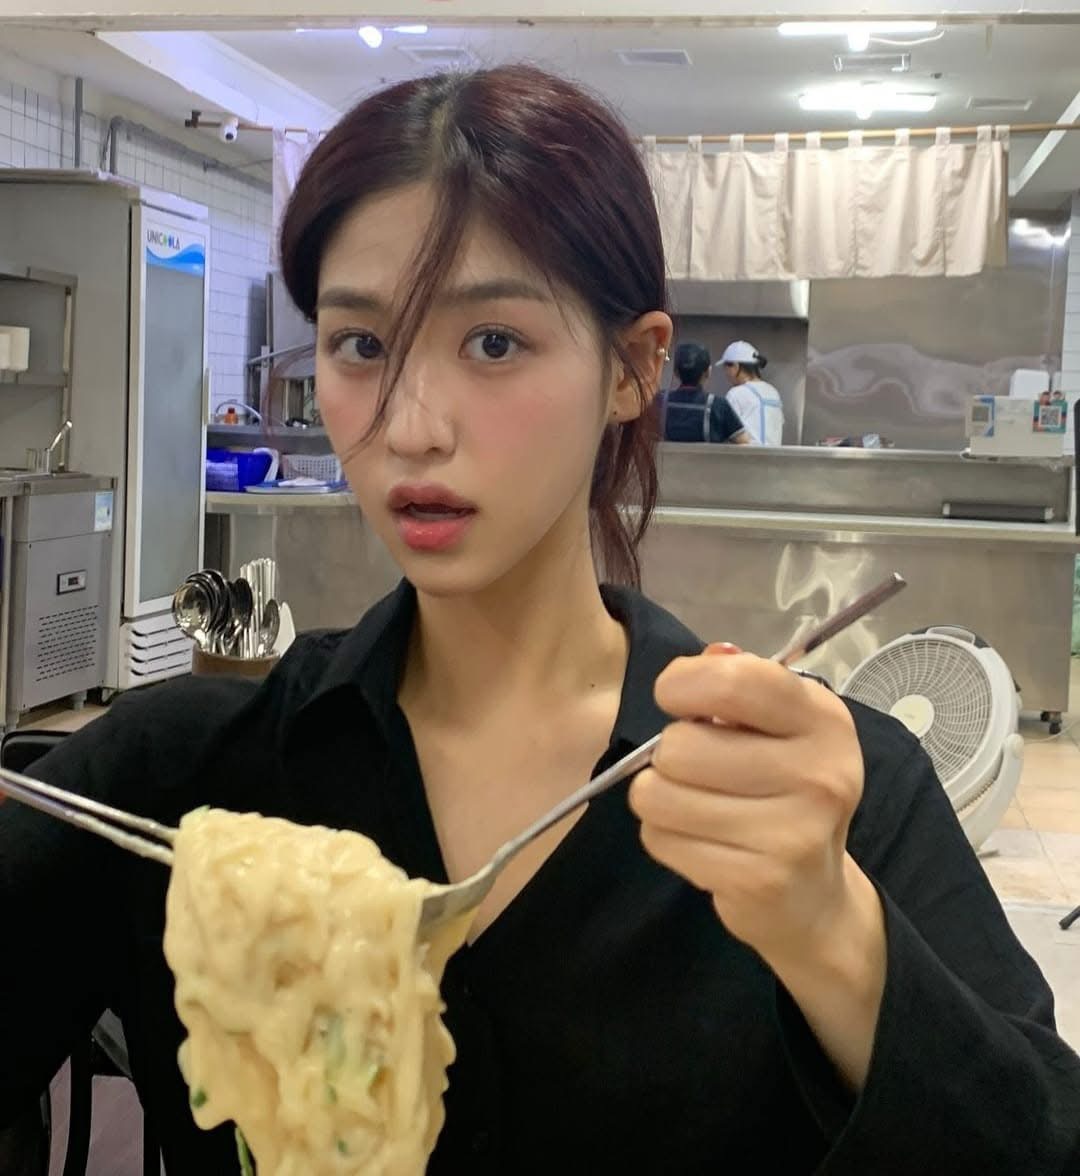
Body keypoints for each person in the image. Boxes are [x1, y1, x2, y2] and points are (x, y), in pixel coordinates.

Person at [1, 65, 1079, 1176]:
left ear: (633, 368)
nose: (411, 428)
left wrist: (832, 930)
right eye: (361, 345)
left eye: (494, 343)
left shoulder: (823, 798)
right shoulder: (179, 776)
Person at [659, 341, 749, 444]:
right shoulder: (718, 406)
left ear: (676, 372)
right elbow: (743, 442)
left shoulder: (660, 402)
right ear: (708, 372)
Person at [720, 339, 785, 446]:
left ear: (736, 366)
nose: (725, 373)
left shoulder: (736, 394)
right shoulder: (773, 392)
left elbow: (725, 433)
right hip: (775, 456)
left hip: (746, 456)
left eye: (726, 368)